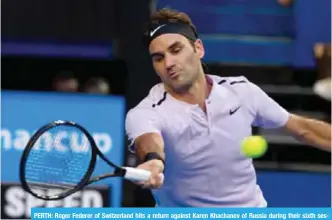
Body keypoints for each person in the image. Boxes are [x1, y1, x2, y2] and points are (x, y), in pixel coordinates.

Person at [125, 8, 331, 207]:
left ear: (198, 49)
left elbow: (303, 129)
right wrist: (153, 162)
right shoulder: (146, 112)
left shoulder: (242, 92)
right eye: (158, 58)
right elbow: (149, 141)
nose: (168, 63)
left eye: (176, 50)